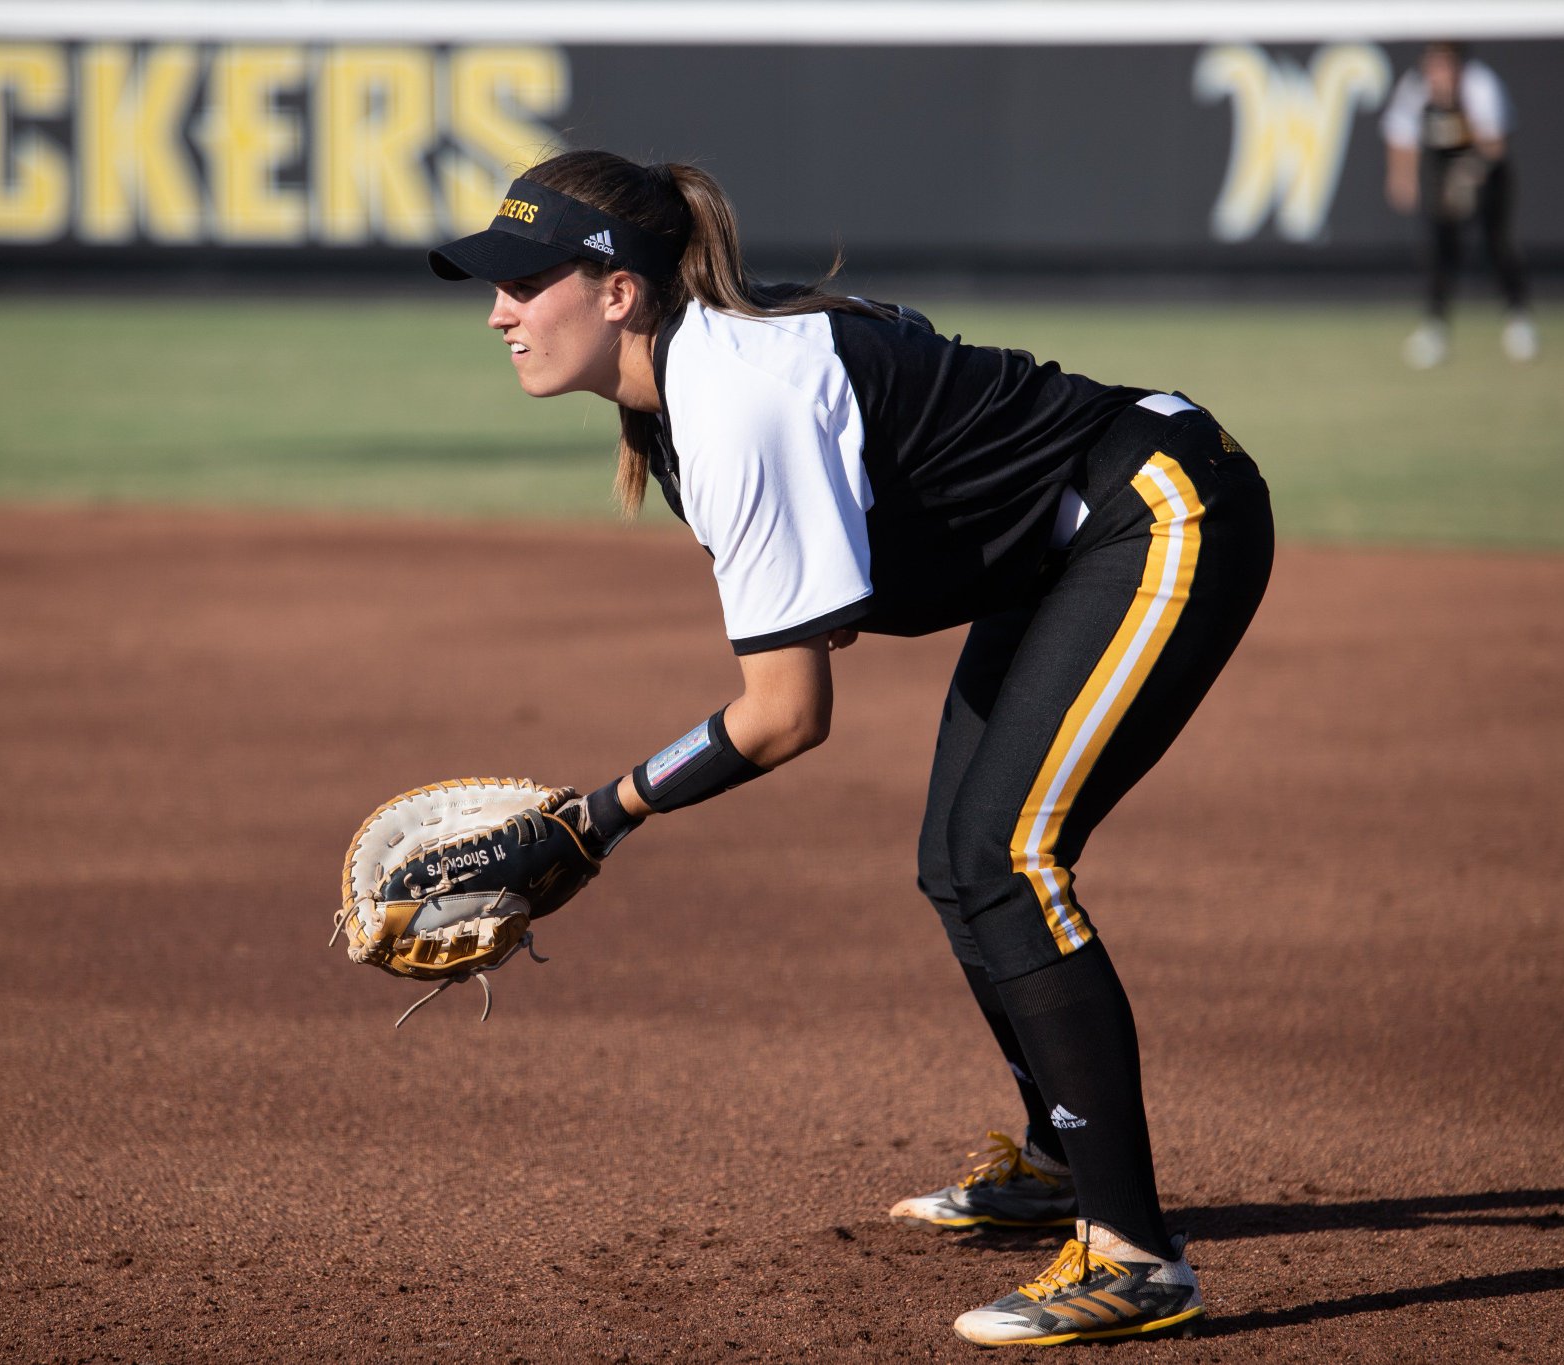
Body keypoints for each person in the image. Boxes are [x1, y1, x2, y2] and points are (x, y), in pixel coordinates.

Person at [429, 149, 1274, 1348]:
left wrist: (597, 818)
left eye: (524, 281)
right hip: (1062, 546)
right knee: (957, 860)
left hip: (1159, 514)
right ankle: (1053, 1159)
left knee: (1005, 857)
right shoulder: (683, 379)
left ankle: (1135, 1255)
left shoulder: (728, 394)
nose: (500, 311)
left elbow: (785, 713)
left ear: (617, 291)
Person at [1382, 40, 1536, 367]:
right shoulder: (1414, 88)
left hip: (1485, 171)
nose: (1438, 74)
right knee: (1439, 249)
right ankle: (1435, 327)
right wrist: (1402, 178)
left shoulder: (1479, 85)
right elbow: (1400, 133)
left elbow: (1495, 144)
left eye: (1444, 66)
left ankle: (1518, 320)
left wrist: (1468, 173)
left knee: (1497, 245)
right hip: (1442, 173)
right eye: (1433, 65)